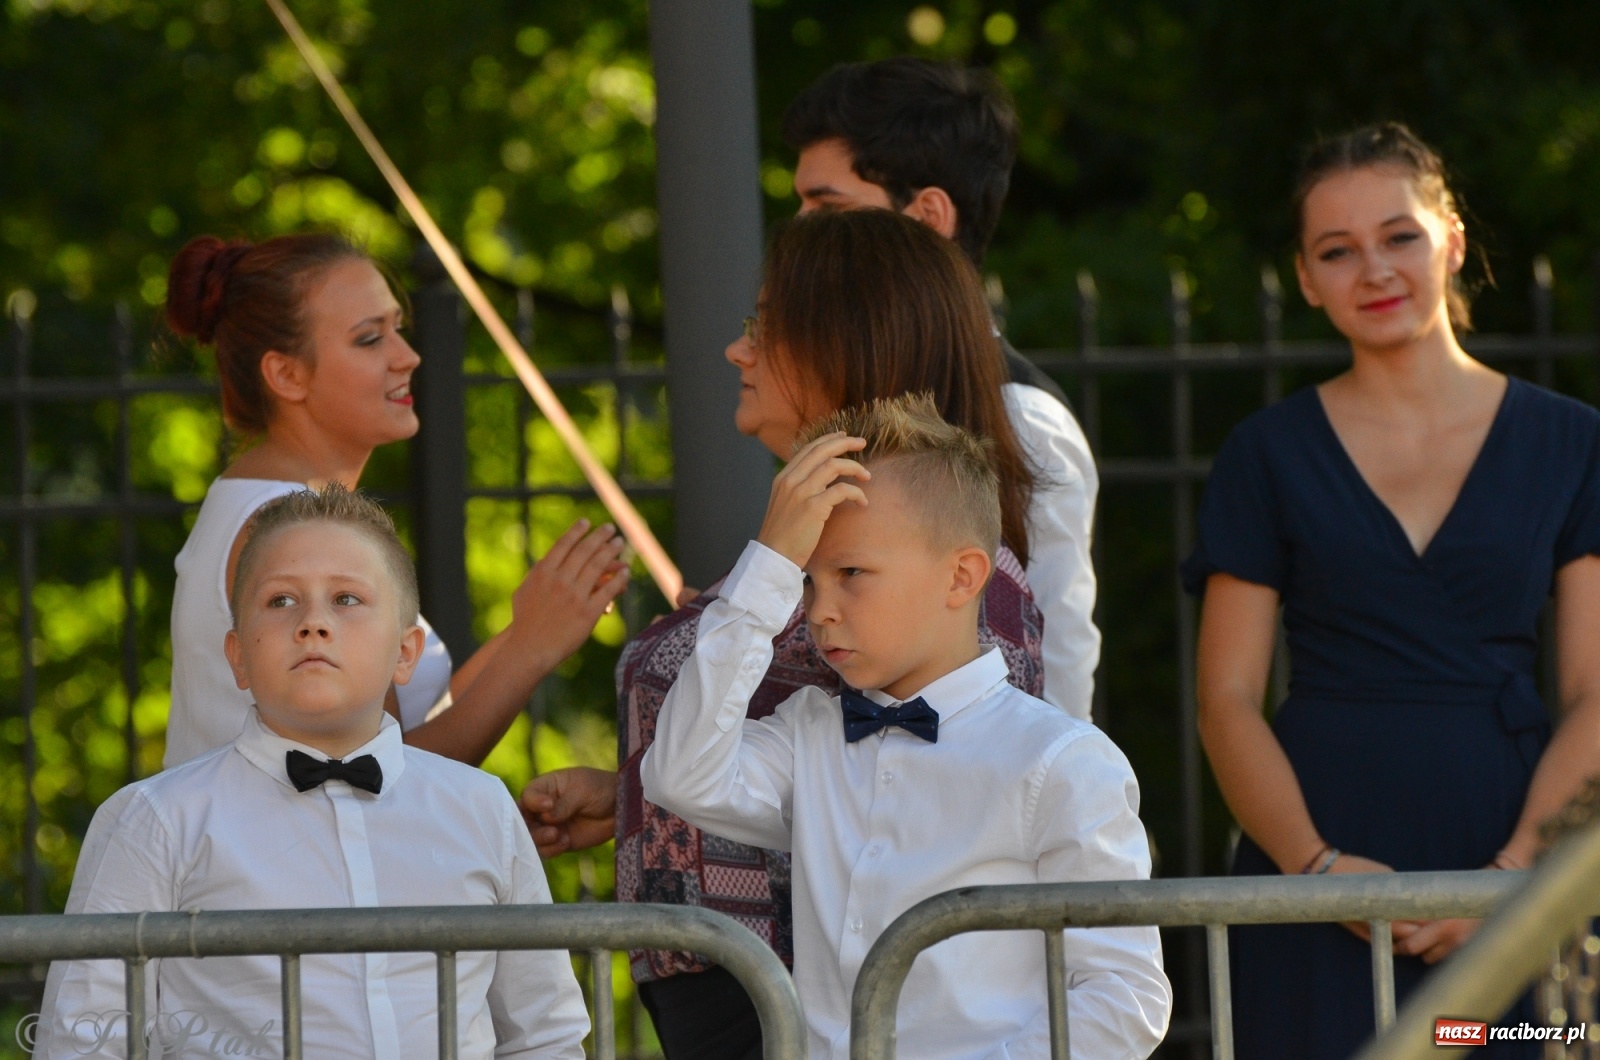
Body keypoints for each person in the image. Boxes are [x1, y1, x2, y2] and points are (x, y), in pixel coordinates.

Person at [527, 210, 1050, 1060]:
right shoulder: (812, 548)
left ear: (849, 340)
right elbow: (805, 761)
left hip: (807, 1004)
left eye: (765, 327)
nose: (739, 351)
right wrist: (629, 791)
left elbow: (939, 785)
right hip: (734, 990)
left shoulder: (963, 585)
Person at [1184, 122, 1600, 1059]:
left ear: (1451, 239)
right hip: (1317, 866)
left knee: (1503, 1044)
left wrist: (1511, 882)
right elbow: (1225, 700)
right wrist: (1318, 870)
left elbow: (1595, 694)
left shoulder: (1573, 443)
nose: (1374, 269)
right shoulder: (1266, 455)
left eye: (1399, 235)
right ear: (1305, 277)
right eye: (1338, 251)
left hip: (1514, 857)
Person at [642, 394, 1169, 1059]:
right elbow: (680, 775)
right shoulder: (808, 733)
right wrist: (766, 567)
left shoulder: (1063, 762)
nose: (818, 612)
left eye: (851, 574)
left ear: (962, 576)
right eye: (805, 581)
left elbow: (1123, 996)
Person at [37, 485, 589, 1058]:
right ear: (237, 656)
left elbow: (544, 1033)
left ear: (406, 653)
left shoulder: (483, 808)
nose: (313, 623)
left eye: (347, 599)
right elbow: (83, 1040)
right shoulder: (155, 821)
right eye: (280, 601)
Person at [163, 233, 628, 768]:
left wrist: (535, 624)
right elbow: (379, 774)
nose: (407, 357)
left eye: (397, 330)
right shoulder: (294, 530)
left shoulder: (265, 505)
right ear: (287, 374)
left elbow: (411, 725)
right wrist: (531, 650)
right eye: (369, 339)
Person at [782, 56, 1100, 719]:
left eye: (827, 205)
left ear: (927, 216)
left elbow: (1057, 654)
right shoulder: (849, 396)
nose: (800, 231)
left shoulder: (1022, 416)